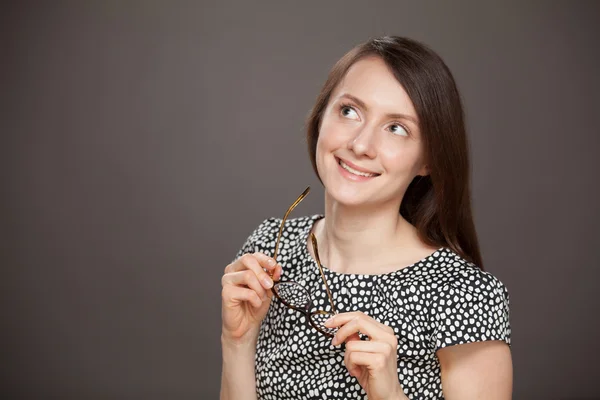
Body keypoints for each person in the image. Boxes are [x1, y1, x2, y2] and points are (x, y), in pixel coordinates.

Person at [220, 36, 512, 400]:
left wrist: (388, 394)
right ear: (321, 115)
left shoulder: (465, 295)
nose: (360, 144)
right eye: (349, 111)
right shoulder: (267, 250)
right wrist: (237, 342)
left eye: (396, 128)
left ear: (428, 160)